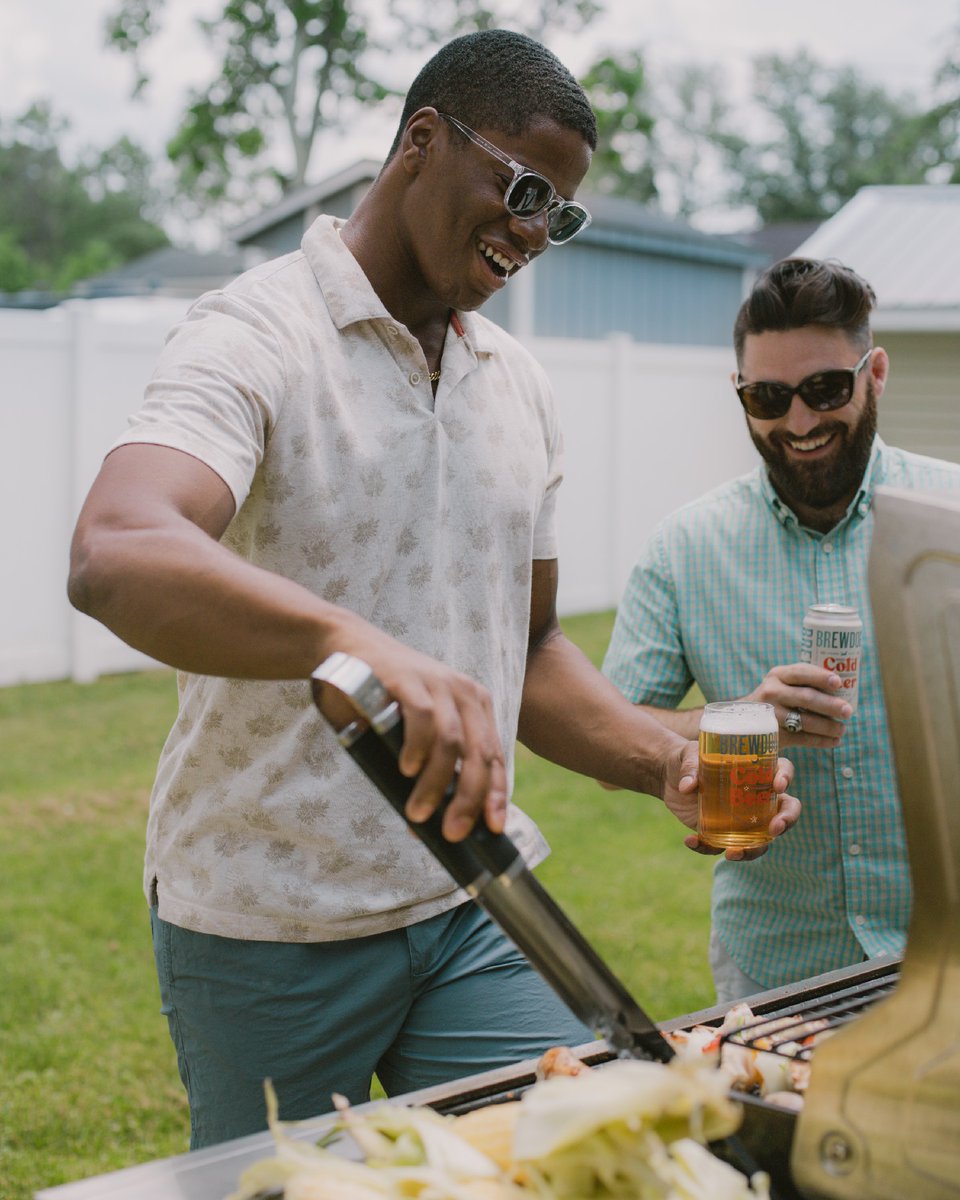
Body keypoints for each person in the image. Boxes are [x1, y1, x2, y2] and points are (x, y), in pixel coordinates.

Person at [68, 30, 798, 1149]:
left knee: (577, 1160)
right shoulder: (254, 335)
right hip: (268, 920)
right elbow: (117, 548)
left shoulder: (519, 385)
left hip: (474, 900)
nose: (535, 232)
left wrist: (664, 763)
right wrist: (355, 643)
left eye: (560, 213)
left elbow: (530, 645)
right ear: (422, 141)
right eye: (524, 190)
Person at [602, 256, 960, 1005]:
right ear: (740, 393)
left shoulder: (950, 517)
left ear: (876, 374)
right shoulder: (685, 546)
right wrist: (741, 720)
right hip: (778, 962)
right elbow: (609, 738)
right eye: (768, 396)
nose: (799, 423)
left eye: (825, 389)